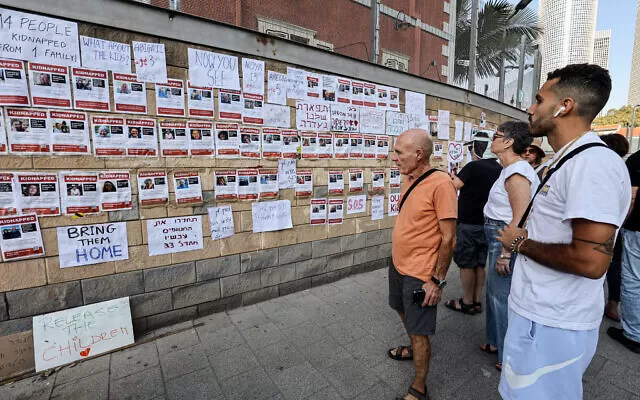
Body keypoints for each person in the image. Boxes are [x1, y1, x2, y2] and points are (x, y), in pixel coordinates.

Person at [497, 64, 631, 399]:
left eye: (539, 99)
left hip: (553, 322)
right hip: (539, 313)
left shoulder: (593, 165)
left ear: (564, 106)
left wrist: (519, 243)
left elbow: (591, 262)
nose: (530, 108)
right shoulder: (568, 159)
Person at [387, 129, 457, 400]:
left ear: (418, 154)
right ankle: (417, 348)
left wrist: (437, 281)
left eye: (399, 153)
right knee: (399, 308)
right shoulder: (408, 176)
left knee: (419, 331)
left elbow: (449, 237)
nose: (394, 158)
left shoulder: (441, 184)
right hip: (398, 264)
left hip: (421, 273)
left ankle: (419, 388)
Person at [482, 121, 538, 371]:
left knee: (501, 297)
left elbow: (521, 216)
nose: (492, 139)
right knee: (493, 293)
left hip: (503, 238)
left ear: (508, 142)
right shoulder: (508, 169)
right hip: (496, 234)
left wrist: (506, 253)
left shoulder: (517, 173)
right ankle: (495, 342)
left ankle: (508, 357)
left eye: (496, 136)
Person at [445, 131, 502, 316]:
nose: (470, 150)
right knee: (479, 264)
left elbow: (454, 186)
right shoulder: (499, 168)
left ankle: (467, 302)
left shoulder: (472, 167)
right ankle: (477, 301)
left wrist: (450, 177)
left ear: (478, 147)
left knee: (466, 264)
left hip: (468, 223)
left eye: (471, 147)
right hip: (487, 223)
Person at [607, 144, 640, 353]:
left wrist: (617, 227)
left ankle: (634, 334)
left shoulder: (637, 160)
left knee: (633, 279)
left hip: (637, 228)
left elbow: (632, 197)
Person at [599, 134, 630, 322]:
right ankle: (612, 303)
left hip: (607, 226)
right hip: (616, 226)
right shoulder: (623, 168)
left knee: (601, 263)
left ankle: (609, 304)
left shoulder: (604, 169)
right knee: (615, 264)